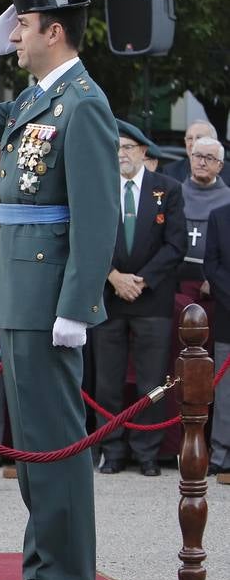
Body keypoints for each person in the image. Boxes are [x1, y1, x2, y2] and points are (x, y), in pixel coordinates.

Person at [0, 0, 120, 580]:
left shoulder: (84, 104)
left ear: (54, 31)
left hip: (49, 297)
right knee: (31, 447)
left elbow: (98, 219)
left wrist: (76, 306)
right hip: (19, 289)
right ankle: (43, 570)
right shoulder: (34, 100)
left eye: (22, 25)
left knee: (54, 443)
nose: (14, 35)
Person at [91, 120, 186, 477]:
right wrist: (113, 277)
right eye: (115, 148)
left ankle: (147, 452)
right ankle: (112, 450)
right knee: (108, 380)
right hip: (110, 296)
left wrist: (141, 281)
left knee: (151, 381)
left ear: (144, 153)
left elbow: (176, 244)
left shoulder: (168, 189)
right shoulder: (98, 188)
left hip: (152, 299)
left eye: (128, 148)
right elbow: (87, 239)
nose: (121, 155)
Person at [178, 136, 230, 296]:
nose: (202, 162)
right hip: (174, 282)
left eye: (209, 158)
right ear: (191, 158)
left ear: (220, 165)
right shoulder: (174, 194)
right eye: (198, 156)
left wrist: (214, 280)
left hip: (218, 287)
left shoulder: (228, 199)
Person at [202, 203, 230, 474]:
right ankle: (221, 454)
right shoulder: (219, 216)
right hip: (227, 315)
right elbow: (212, 265)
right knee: (225, 392)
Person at [162, 120, 216, 185]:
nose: (193, 143)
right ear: (185, 141)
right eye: (190, 138)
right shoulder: (170, 171)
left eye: (199, 138)